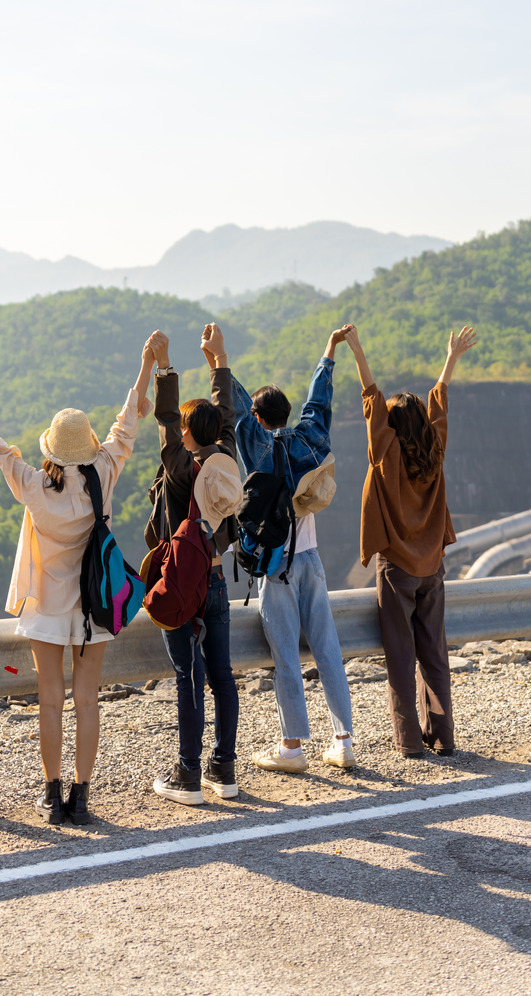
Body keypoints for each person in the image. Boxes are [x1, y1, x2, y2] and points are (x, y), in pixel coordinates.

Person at [0, 342, 156, 826]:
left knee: (50, 700)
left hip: (46, 607)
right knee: (87, 701)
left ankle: (51, 799)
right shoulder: (105, 473)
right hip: (95, 608)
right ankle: (82, 798)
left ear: (50, 448)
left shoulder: (32, 484)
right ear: (88, 445)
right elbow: (126, 424)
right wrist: (146, 364)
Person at [337, 322, 477, 759]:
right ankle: (444, 738)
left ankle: (409, 743)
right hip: (432, 567)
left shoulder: (387, 453)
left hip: (396, 567)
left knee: (400, 657)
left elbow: (371, 402)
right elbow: (438, 405)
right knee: (434, 654)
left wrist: (357, 350)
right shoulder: (435, 450)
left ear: (393, 427)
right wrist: (451, 357)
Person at [232, 332, 356, 774]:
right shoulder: (309, 438)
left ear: (258, 418)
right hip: (312, 560)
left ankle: (292, 748)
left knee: (286, 656)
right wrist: (329, 351)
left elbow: (235, 407)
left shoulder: (260, 446)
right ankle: (343, 741)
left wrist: (220, 359)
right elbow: (318, 402)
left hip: (278, 567)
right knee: (327, 649)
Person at [146, 323, 244, 805]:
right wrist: (218, 363)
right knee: (222, 675)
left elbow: (166, 418)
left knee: (189, 677)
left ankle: (188, 775)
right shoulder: (224, 458)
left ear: (187, 434)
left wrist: (165, 367)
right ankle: (223, 771)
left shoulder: (182, 465)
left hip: (185, 582)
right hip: (218, 577)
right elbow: (223, 418)